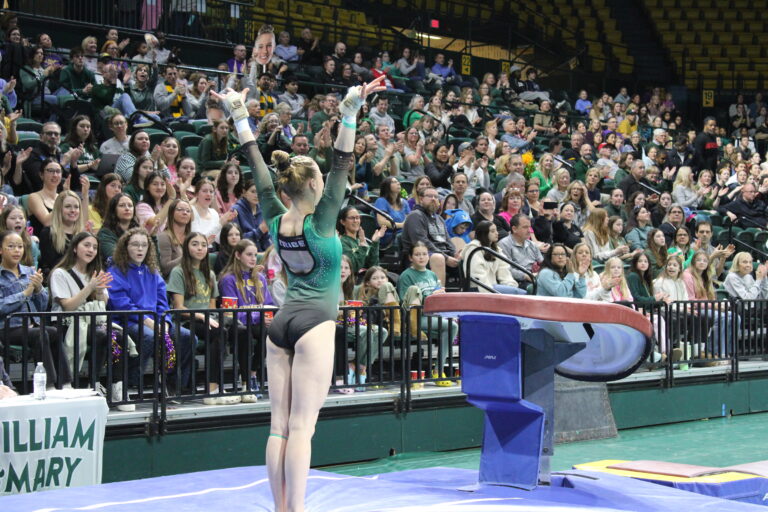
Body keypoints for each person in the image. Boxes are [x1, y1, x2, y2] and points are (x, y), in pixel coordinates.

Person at [215, 75, 387, 511]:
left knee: (278, 426)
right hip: (314, 324)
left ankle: (279, 507)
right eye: (320, 177)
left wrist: (239, 114)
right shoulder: (322, 221)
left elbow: (255, 163)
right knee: (303, 427)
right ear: (313, 185)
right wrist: (350, 112)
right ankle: (297, 510)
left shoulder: (275, 217)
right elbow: (343, 163)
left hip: (283, 323)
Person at [48, 232, 133, 408]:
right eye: (86, 245)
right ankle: (92, 384)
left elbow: (103, 304)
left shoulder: (95, 273)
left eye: (95, 247)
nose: (91, 250)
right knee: (103, 335)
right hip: (68, 324)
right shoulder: (60, 273)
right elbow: (68, 307)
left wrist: (100, 291)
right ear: (74, 248)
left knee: (119, 336)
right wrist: (90, 287)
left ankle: (117, 386)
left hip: (93, 321)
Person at [107, 228, 195, 394]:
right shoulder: (116, 272)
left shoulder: (153, 272)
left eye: (144, 245)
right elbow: (122, 304)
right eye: (135, 245)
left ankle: (174, 384)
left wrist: (165, 322)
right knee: (149, 336)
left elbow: (163, 303)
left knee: (186, 336)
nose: (140, 249)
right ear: (125, 247)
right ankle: (131, 383)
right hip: (128, 321)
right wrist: (148, 321)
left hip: (156, 321)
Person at [167, 232, 238, 405]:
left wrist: (212, 317)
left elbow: (212, 306)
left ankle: (242, 385)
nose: (200, 248)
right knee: (217, 332)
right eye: (195, 244)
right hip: (186, 320)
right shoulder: (178, 272)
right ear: (187, 247)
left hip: (207, 318)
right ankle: (212, 388)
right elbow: (178, 307)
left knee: (240, 329)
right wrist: (201, 316)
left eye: (203, 245)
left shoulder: (210, 274)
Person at [0, 230, 72, 389]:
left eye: (20, 246)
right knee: (40, 334)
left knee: (54, 331)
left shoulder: (29, 272)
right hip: (9, 327)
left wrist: (39, 289)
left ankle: (66, 383)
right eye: (11, 246)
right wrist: (24, 294)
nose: (17, 250)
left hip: (33, 324)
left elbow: (42, 306)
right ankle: (49, 385)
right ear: (1, 249)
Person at [401, 186, 459, 286]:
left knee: (467, 256)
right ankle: (439, 296)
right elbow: (422, 242)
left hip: (442, 254)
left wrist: (454, 254)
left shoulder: (439, 219)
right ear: (421, 199)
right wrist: (446, 258)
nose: (433, 199)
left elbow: (448, 240)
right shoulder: (415, 216)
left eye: (436, 197)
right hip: (421, 256)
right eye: (430, 196)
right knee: (438, 257)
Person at [461, 220, 524, 294]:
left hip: (492, 287)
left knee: (518, 292)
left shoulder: (496, 250)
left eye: (496, 230)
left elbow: (504, 271)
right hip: (478, 289)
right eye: (492, 231)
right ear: (484, 233)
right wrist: (492, 292)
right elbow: (477, 275)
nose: (497, 233)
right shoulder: (474, 248)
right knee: (522, 294)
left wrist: (510, 285)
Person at [38, 189, 89, 278]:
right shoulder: (47, 233)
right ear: (59, 209)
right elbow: (53, 265)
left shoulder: (83, 235)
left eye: (76, 207)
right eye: (68, 206)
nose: (73, 210)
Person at [337, 205, 386, 276]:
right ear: (342, 222)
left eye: (358, 218)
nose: (355, 221)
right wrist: (363, 246)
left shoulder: (360, 240)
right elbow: (353, 266)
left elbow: (373, 265)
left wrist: (375, 242)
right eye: (352, 218)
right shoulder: (342, 242)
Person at [97, 194, 139, 264]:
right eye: (122, 205)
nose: (127, 208)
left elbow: (152, 257)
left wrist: (153, 236)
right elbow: (116, 258)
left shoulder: (139, 231)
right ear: (113, 210)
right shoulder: (105, 233)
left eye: (130, 205)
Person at [156, 199, 192, 279]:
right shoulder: (164, 237)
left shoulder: (191, 238)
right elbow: (165, 269)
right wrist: (188, 255)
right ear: (171, 213)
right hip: (173, 282)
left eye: (188, 211)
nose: (185, 213)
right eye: (180, 210)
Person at [232, 179, 271, 252]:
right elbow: (236, 238)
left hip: (262, 252)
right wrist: (259, 231)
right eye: (253, 191)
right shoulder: (235, 210)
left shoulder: (263, 209)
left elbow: (267, 237)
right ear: (244, 192)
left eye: (259, 192)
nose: (256, 195)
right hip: (244, 252)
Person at [373, 176, 410, 247]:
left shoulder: (404, 202)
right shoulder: (381, 201)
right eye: (394, 182)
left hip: (403, 233)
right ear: (387, 186)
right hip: (388, 235)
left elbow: (408, 220)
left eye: (398, 182)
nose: (398, 183)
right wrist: (402, 225)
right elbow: (382, 222)